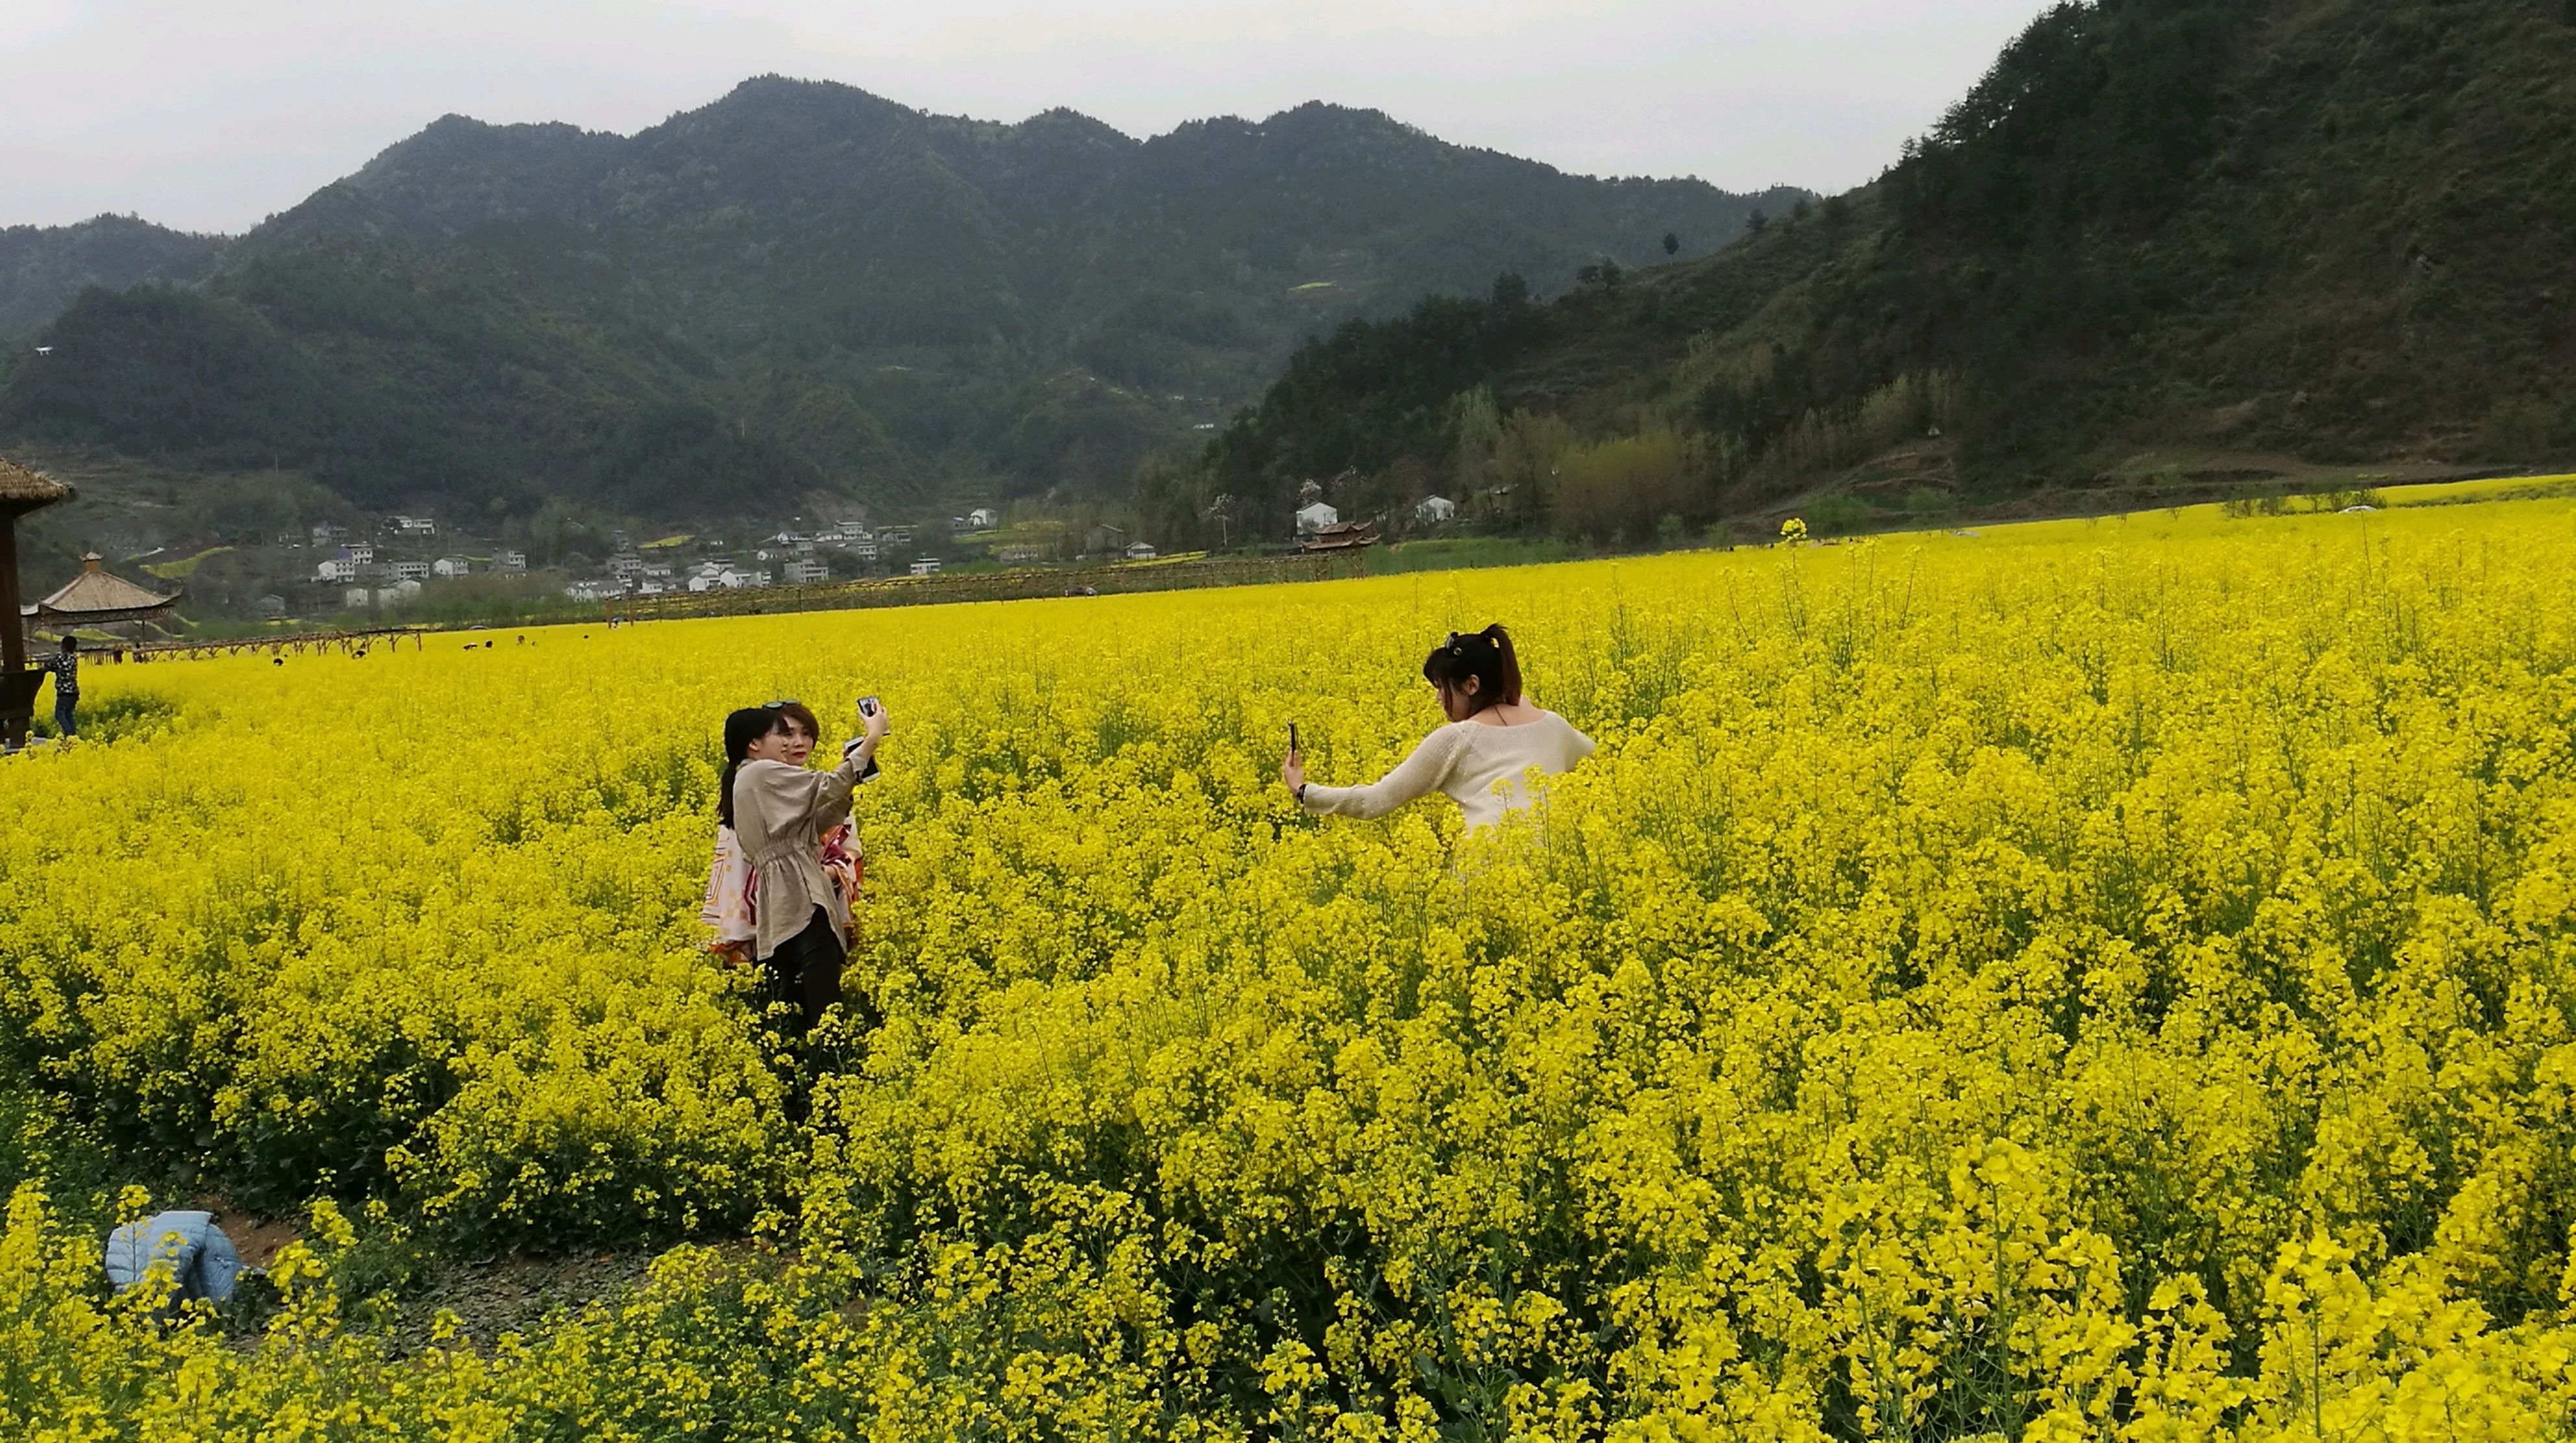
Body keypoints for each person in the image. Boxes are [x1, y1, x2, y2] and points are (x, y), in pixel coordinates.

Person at [1282, 625, 1593, 831]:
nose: (1437, 697)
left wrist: (1303, 791)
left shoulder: (1455, 739)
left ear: (1472, 685)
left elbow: (1375, 800)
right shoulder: (1554, 725)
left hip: (1487, 870)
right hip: (1558, 863)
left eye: (1441, 687)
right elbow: (1598, 764)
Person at [718, 699, 888, 1038]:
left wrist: (848, 783)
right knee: (824, 999)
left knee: (793, 999)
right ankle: (831, 1070)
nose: (787, 742)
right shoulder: (762, 771)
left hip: (778, 906)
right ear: (754, 743)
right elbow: (825, 787)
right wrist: (871, 739)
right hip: (801, 895)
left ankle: (804, 1070)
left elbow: (813, 824)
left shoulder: (745, 779)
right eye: (779, 734)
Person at [43, 636, 78, 738]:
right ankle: (73, 736)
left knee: (59, 714)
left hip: (64, 691)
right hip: (74, 691)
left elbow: (48, 666)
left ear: (63, 646)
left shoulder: (60, 658)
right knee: (69, 714)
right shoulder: (74, 659)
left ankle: (70, 734)